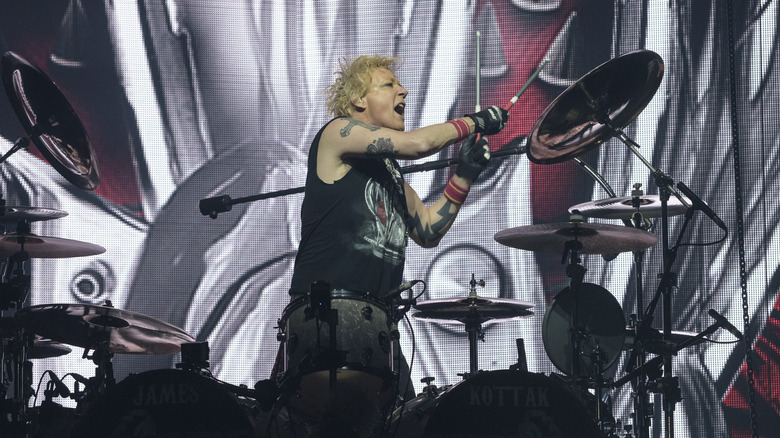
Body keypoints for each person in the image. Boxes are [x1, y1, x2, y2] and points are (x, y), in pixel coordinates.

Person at [278, 54, 508, 437]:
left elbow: (428, 230)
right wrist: (474, 122)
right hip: (327, 317)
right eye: (389, 85)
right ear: (358, 101)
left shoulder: (390, 176)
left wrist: (465, 174)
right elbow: (417, 143)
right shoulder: (338, 133)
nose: (403, 90)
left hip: (378, 325)